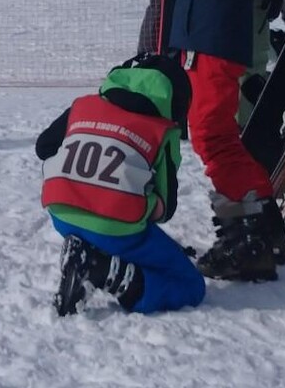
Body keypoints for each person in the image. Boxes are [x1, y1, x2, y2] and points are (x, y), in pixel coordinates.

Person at [156, 0, 285, 278]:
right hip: (204, 35)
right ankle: (260, 229)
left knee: (213, 136)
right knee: (216, 135)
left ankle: (249, 238)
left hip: (216, 37)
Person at [37, 55, 206, 316]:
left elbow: (44, 147)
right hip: (113, 225)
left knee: (114, 223)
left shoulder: (83, 105)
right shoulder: (162, 130)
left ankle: (86, 250)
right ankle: (103, 270)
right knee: (190, 286)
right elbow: (165, 208)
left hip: (62, 212)